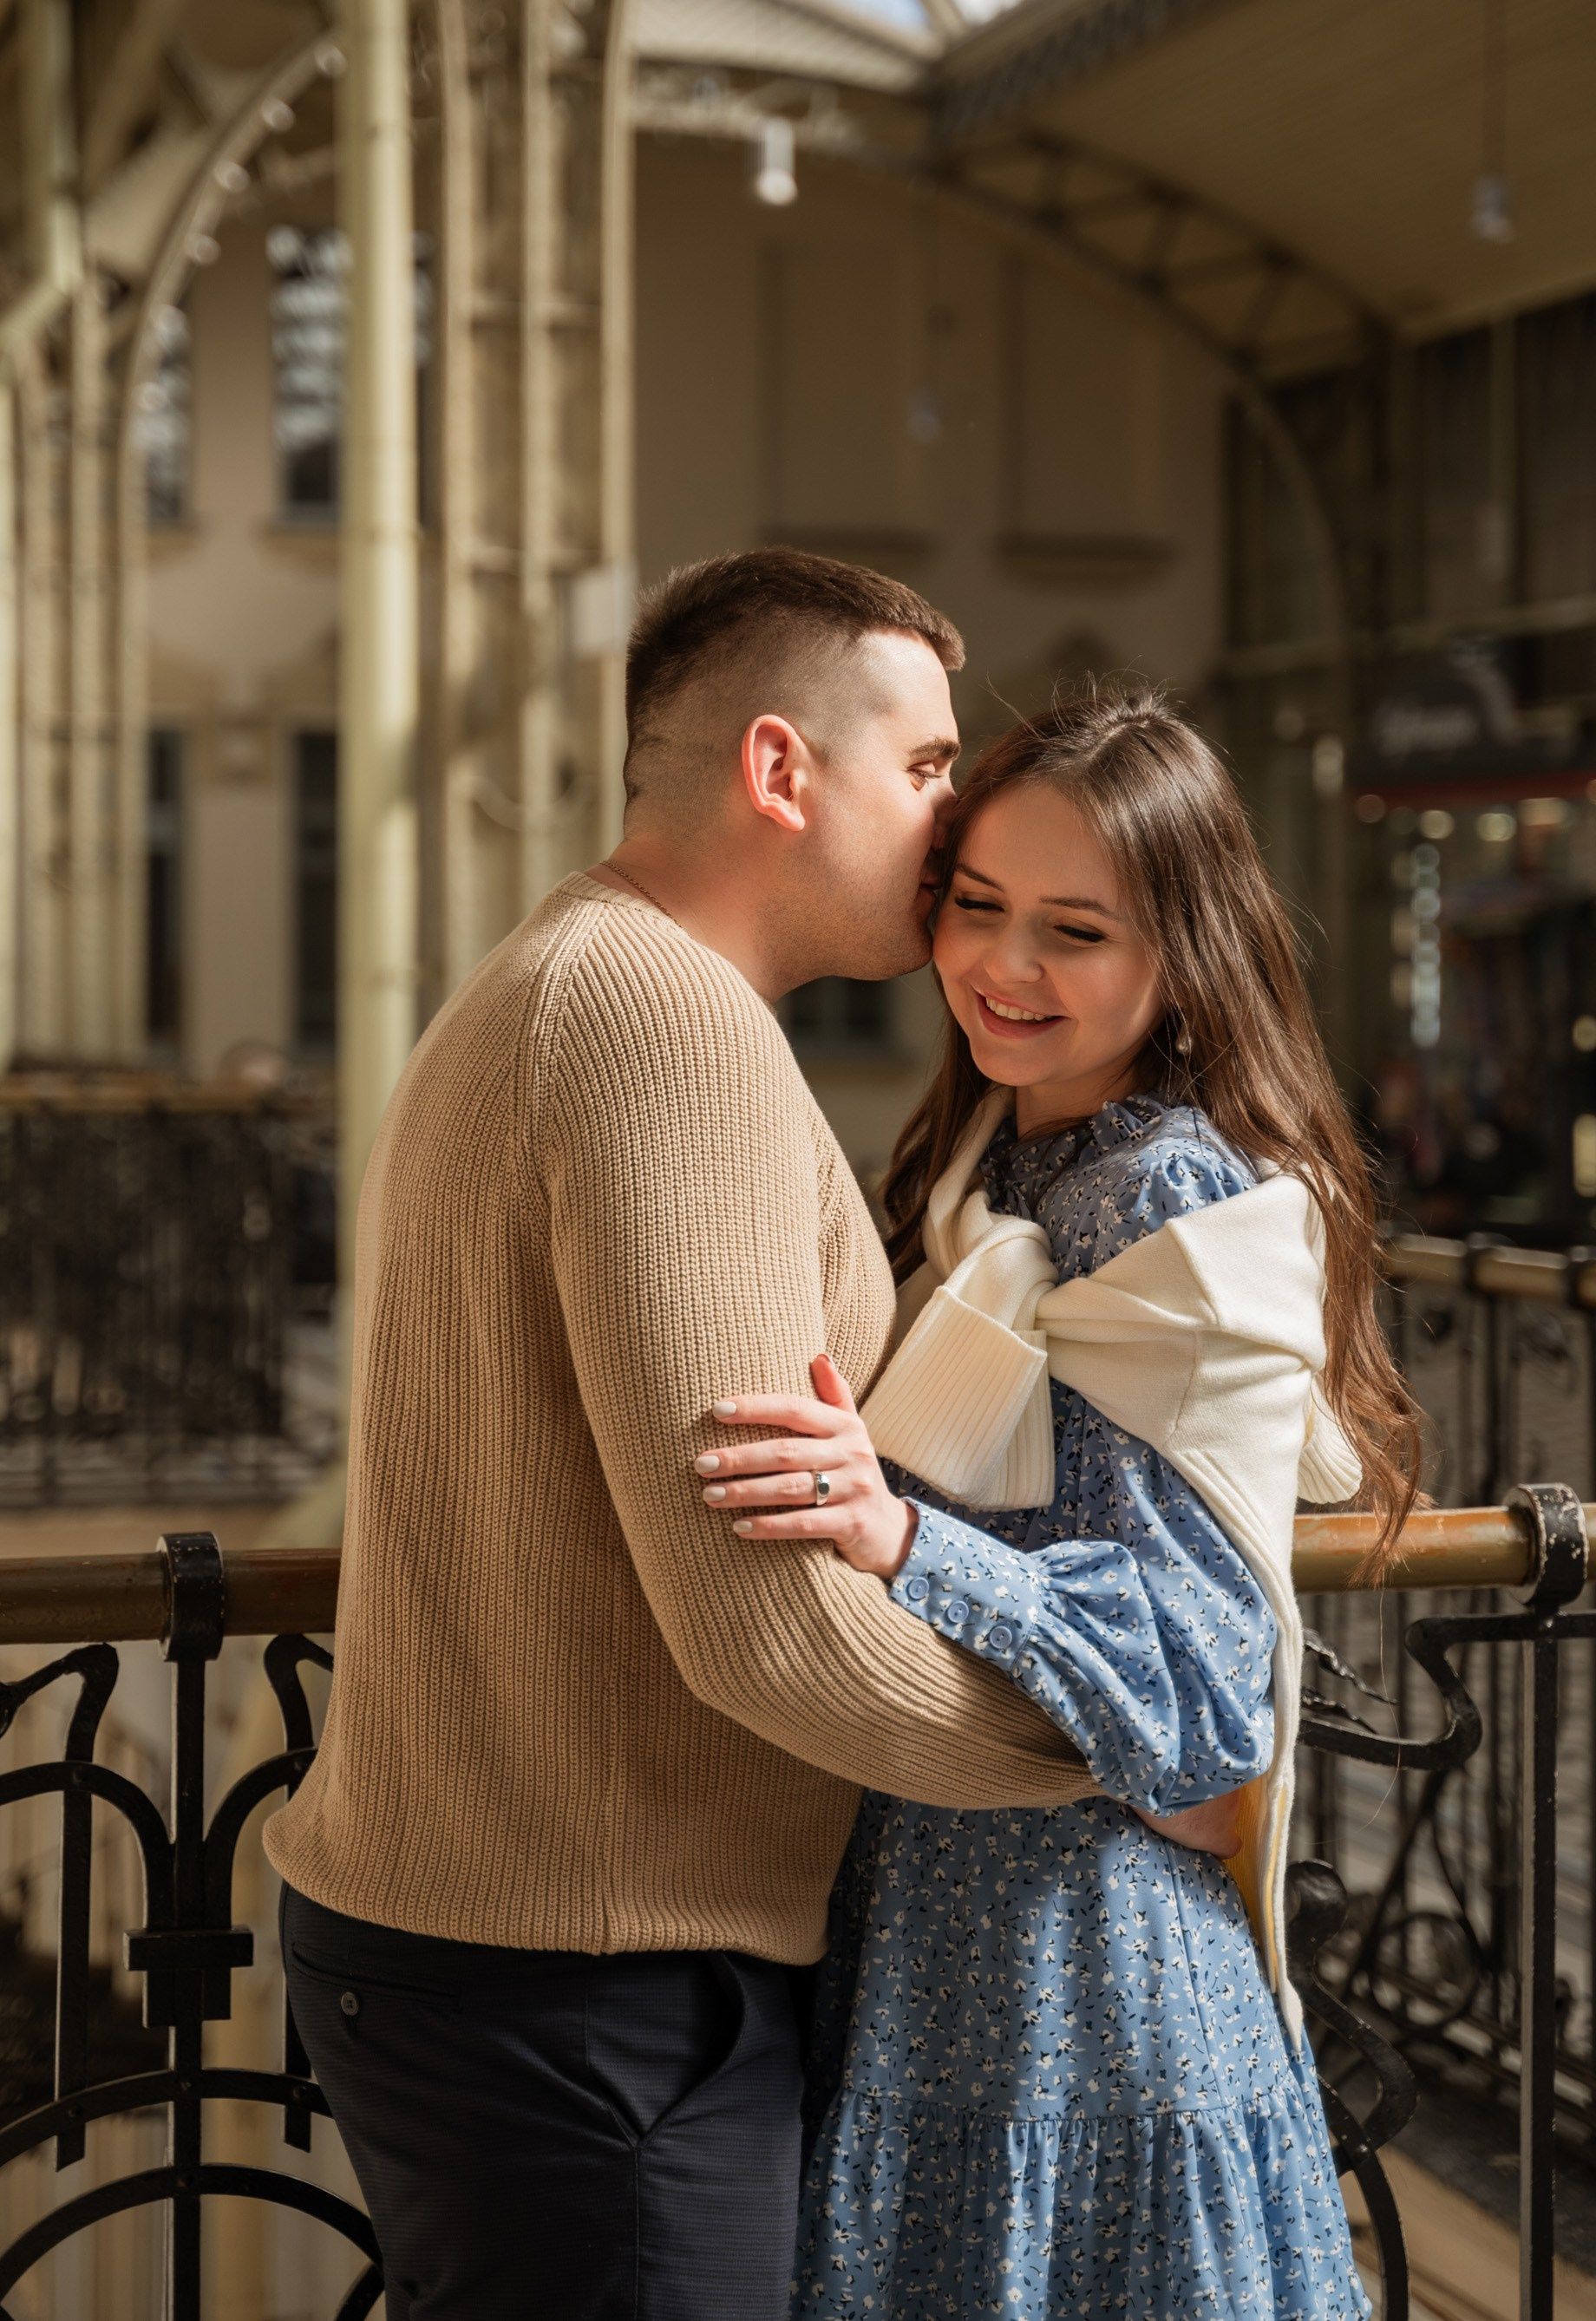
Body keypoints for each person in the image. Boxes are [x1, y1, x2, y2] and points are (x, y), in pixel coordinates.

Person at [263, 554, 1231, 2321]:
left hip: (526, 1961)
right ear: (785, 773)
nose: (951, 823)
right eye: (929, 769)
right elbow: (766, 1624)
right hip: (585, 1984)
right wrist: (1114, 1744)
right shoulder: (660, 1024)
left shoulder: (581, 977)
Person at [697, 686, 1420, 2321]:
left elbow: (1203, 1673)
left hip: (1084, 1974)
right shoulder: (1003, 1160)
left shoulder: (1153, 1190)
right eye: (979, 907)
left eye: (1075, 931)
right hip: (960, 1915)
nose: (1005, 969)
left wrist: (904, 1541)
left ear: (1180, 957)